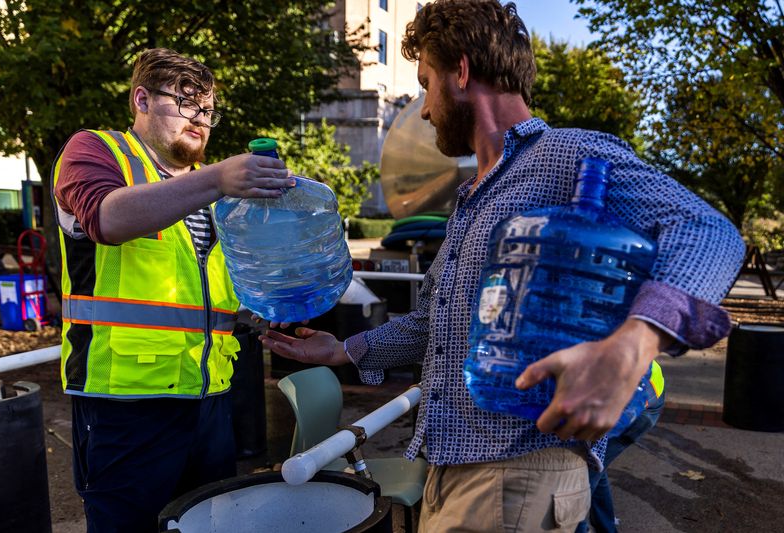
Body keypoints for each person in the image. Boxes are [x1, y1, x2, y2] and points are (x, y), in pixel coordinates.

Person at [260, 1, 746, 531]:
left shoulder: (567, 156)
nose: (423, 109)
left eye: (426, 83)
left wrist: (635, 343)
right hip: (451, 470)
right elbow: (435, 327)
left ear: (462, 72)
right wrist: (343, 349)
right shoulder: (472, 199)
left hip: (519, 473)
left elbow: (708, 232)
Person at [51, 48, 293, 532]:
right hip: (125, 404)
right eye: (185, 104)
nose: (200, 120)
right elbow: (107, 218)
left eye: (207, 110)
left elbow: (202, 290)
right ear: (141, 99)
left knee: (205, 525)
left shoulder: (211, 191)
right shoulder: (96, 151)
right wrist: (219, 178)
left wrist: (259, 314)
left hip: (210, 397)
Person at [576, 361, 665, 533]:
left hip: (640, 408)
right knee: (596, 465)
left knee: (583, 480)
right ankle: (606, 528)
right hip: (635, 395)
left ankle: (577, 528)